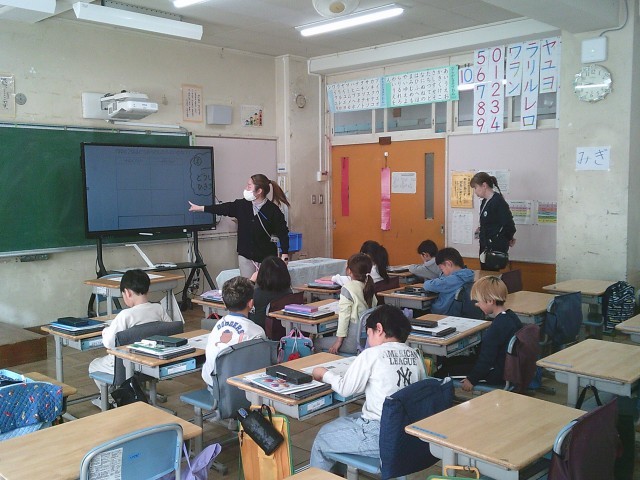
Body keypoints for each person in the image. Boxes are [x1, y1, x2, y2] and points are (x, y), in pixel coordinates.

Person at [310, 304, 427, 471]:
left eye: (368, 333)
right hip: (407, 434)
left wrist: (324, 374)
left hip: (380, 435)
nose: (368, 340)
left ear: (379, 329)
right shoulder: (414, 355)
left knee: (322, 438)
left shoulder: (371, 354)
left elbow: (345, 389)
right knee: (344, 423)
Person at [88, 269, 172, 407]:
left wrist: (105, 331)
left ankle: (110, 398)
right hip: (151, 361)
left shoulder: (125, 315)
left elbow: (109, 343)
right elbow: (170, 330)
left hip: (125, 364)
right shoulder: (159, 308)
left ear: (127, 292)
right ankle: (132, 391)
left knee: (94, 365)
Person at [189, 174, 290, 278]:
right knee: (247, 285)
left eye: (249, 186)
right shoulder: (242, 205)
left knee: (266, 284)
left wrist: (285, 253)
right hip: (245, 255)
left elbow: (283, 233)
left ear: (259, 191)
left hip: (266, 258)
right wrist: (201, 208)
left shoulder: (273, 210)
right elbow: (224, 208)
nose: (246, 188)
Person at [435, 276, 522, 390]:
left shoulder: (497, 327)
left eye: (479, 302)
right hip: (503, 367)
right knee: (450, 361)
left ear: (490, 301)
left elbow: (486, 360)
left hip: (494, 373)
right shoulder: (511, 316)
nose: (477, 305)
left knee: (442, 373)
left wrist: (472, 380)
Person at [201, 276, 266, 389]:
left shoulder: (217, 325)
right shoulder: (257, 332)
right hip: (242, 388)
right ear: (251, 303)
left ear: (224, 303)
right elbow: (260, 366)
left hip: (214, 386)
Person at [316, 253, 377, 355]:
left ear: (349, 271)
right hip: (367, 340)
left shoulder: (348, 288)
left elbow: (344, 317)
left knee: (316, 342)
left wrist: (338, 342)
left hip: (352, 342)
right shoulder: (369, 286)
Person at [469, 172, 516, 271]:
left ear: (484, 185)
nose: (475, 192)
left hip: (494, 248)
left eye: (475, 188)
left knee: (491, 276)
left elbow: (509, 225)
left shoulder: (498, 201)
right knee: (484, 273)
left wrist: (507, 238)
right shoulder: (484, 201)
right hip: (485, 246)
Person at [422, 247, 474, 315]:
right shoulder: (468, 275)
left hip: (443, 313)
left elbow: (428, 285)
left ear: (449, 264)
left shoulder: (452, 280)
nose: (442, 272)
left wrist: (441, 278)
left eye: (442, 269)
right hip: (458, 312)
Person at [249, 255, 293, 330]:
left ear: (261, 274)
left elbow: (240, 300)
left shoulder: (258, 293)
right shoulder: (289, 291)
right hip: (283, 328)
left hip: (261, 328)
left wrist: (251, 281)